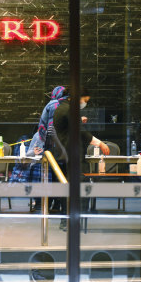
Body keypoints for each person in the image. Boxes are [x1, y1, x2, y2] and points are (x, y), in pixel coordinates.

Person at [52, 86, 110, 230]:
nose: (85, 103)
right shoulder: (69, 110)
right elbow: (80, 132)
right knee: (73, 187)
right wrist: (100, 143)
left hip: (63, 152)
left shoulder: (63, 107)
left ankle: (66, 220)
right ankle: (70, 221)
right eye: (85, 100)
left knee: (66, 187)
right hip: (71, 152)